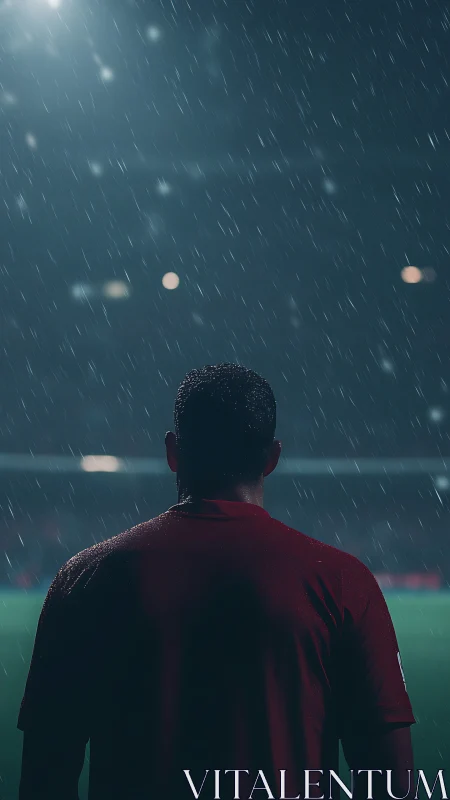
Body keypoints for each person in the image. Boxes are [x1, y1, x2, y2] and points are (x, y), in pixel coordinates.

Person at [18, 363, 415, 800]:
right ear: (272, 458)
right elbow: (390, 779)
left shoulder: (85, 578)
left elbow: (45, 776)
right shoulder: (344, 581)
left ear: (172, 451)